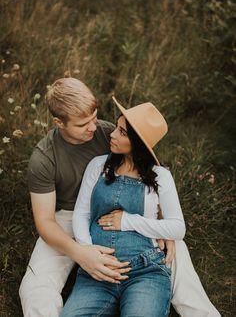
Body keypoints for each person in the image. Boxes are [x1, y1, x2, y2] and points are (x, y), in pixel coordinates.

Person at [19, 78, 220, 317]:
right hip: (67, 216)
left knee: (177, 257)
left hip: (124, 213)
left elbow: (146, 163)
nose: (94, 128)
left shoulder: (106, 133)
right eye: (84, 124)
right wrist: (81, 252)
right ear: (58, 122)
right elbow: (45, 222)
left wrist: (162, 222)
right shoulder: (44, 158)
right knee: (34, 286)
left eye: (95, 117)